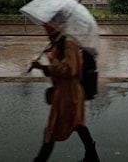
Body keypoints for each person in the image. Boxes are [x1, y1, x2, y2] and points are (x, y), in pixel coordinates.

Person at [30, 20, 100, 162]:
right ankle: (92, 156)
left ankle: (41, 159)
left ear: (57, 25)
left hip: (71, 93)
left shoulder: (68, 43)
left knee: (55, 127)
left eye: (48, 24)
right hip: (62, 93)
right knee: (76, 124)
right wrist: (41, 66)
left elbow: (70, 70)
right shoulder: (57, 43)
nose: (45, 27)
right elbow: (55, 72)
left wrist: (51, 59)